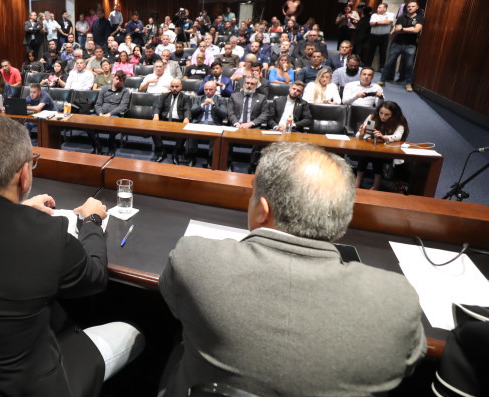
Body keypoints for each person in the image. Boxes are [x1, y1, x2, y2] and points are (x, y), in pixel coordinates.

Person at [159, 142, 425, 397]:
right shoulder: (398, 300)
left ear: (263, 210)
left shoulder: (194, 258)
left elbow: (172, 302)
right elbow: (410, 361)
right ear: (343, 217)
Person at [0, 117, 144, 397]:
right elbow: (95, 277)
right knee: (132, 332)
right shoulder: (49, 236)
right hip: (30, 386)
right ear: (23, 175)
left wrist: (20, 208)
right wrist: (93, 220)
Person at [356, 101, 409, 190]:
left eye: (387, 114)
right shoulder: (373, 117)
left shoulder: (399, 122)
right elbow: (363, 135)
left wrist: (384, 137)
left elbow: (398, 136)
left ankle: (376, 183)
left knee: (377, 156)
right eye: (381, 113)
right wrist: (361, 134)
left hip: (389, 150)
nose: (383, 117)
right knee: (365, 153)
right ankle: (358, 180)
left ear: (393, 114)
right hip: (372, 146)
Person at [381, 0, 423, 92]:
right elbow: (397, 29)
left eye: (412, 6)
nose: (410, 8)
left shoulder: (420, 18)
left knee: (409, 65)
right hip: (397, 43)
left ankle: (408, 83)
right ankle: (382, 80)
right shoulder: (401, 17)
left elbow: (416, 30)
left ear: (417, 7)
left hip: (410, 45)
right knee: (389, 63)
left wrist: (403, 29)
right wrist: (409, 29)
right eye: (408, 6)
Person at [186, 80, 227, 167]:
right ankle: (192, 157)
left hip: (214, 124)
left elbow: (223, 114)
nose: (208, 91)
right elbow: (192, 111)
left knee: (215, 135)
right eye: (206, 89)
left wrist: (214, 105)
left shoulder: (221, 99)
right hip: (199, 123)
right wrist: (203, 105)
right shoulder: (198, 98)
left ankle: (211, 158)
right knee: (191, 133)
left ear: (215, 90)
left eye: (210, 89)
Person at [152, 78, 192, 164]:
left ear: (181, 87)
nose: (174, 88)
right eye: (172, 86)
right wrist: (156, 115)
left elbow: (187, 109)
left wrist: (187, 118)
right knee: (153, 129)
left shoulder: (186, 97)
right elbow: (158, 107)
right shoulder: (164, 96)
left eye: (176, 86)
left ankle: (176, 153)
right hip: (165, 120)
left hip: (178, 122)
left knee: (184, 130)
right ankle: (162, 151)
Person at [90, 72, 131, 155]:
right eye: (117, 79)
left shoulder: (125, 91)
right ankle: (96, 146)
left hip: (114, 115)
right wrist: (100, 113)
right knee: (87, 122)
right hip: (101, 114)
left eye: (121, 80)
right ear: (113, 78)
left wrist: (109, 114)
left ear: (123, 82)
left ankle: (111, 146)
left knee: (114, 123)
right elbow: (98, 104)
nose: (118, 82)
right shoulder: (104, 89)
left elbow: (122, 107)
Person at [367, 3, 395, 68]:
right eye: (378, 7)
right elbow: (371, 24)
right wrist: (382, 22)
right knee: (371, 51)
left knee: (383, 52)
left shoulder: (391, 14)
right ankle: (368, 65)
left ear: (385, 8)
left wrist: (377, 22)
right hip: (373, 36)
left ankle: (381, 67)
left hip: (384, 36)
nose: (377, 9)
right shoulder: (374, 15)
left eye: (379, 7)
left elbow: (388, 22)